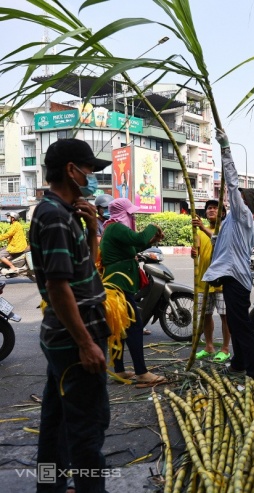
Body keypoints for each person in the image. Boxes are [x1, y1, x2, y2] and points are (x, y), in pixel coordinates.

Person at [30, 138, 111, 492]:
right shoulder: (54, 217)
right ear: (71, 170)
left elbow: (85, 271)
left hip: (65, 338)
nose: (92, 176)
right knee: (86, 429)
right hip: (74, 340)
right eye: (89, 169)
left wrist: (92, 230)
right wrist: (86, 344)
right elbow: (59, 287)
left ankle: (49, 487)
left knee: (57, 422)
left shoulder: (65, 214)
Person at [202, 130, 254, 379]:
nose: (232, 198)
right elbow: (221, 244)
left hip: (237, 281)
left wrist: (225, 148)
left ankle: (252, 371)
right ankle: (239, 363)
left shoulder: (243, 215)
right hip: (232, 279)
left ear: (244, 204)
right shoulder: (231, 222)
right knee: (238, 327)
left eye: (238, 198)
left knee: (242, 327)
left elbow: (232, 181)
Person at [100, 198, 165, 385]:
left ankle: (119, 370)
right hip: (118, 284)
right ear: (123, 213)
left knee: (119, 326)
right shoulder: (115, 228)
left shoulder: (113, 229)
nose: (134, 216)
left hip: (118, 283)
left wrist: (151, 240)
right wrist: (152, 227)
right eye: (131, 213)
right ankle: (141, 372)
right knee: (135, 326)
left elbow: (134, 248)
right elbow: (139, 239)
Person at [192, 199, 231, 363]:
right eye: (209, 208)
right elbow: (198, 251)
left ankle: (225, 349)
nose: (211, 210)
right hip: (204, 280)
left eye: (215, 208)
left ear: (222, 213)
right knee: (206, 315)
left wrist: (201, 227)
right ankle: (209, 346)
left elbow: (219, 240)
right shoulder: (199, 232)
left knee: (224, 316)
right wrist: (194, 252)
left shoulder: (225, 229)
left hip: (221, 280)